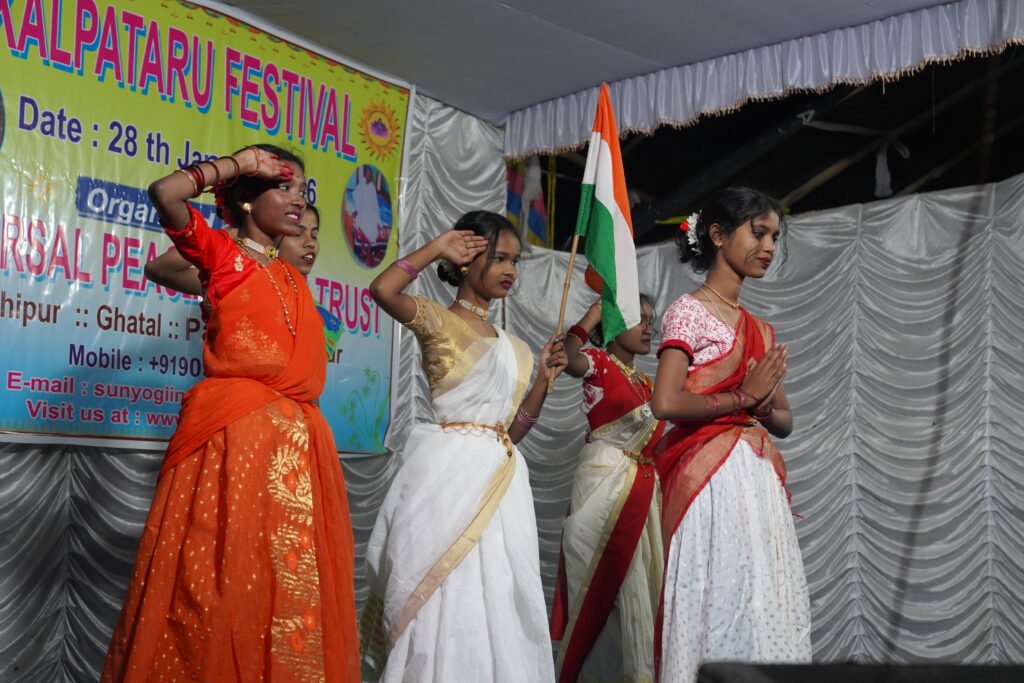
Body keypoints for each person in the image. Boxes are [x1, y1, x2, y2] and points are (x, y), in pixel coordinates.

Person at [102, 145, 359, 682]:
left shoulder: (290, 274)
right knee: (222, 583)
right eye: (283, 188)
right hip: (236, 443)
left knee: (284, 586)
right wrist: (238, 165)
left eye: (302, 191)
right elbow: (165, 194)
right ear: (245, 202)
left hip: (300, 448)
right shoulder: (224, 257)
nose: (297, 201)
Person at [360, 210, 566, 682]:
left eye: (515, 261)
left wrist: (541, 384)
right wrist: (436, 247)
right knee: (442, 593)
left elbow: (509, 433)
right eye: (498, 259)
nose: (509, 270)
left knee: (498, 594)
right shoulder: (437, 319)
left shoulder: (514, 347)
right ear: (466, 259)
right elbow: (381, 290)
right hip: (445, 480)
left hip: (501, 484)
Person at [650, 187, 811, 682]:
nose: (768, 247)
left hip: (756, 482)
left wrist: (760, 401)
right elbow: (666, 403)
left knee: (763, 594)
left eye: (774, 237)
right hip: (708, 484)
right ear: (717, 235)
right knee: (715, 591)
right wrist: (745, 398)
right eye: (757, 233)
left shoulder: (759, 329)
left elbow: (783, 421)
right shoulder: (687, 312)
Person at [551, 296, 666, 682]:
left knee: (639, 596)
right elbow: (567, 358)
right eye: (640, 320)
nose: (650, 328)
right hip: (603, 490)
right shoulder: (598, 364)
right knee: (601, 594)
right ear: (614, 328)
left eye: (652, 321)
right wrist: (592, 316)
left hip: (640, 496)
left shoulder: (650, 385)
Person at [145, 205, 340, 358]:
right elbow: (159, 269)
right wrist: (230, 237)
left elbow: (309, 391)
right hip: (240, 403)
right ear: (271, 236)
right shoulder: (239, 282)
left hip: (291, 409)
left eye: (314, 235)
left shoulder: (320, 318)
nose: (310, 243)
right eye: (298, 233)